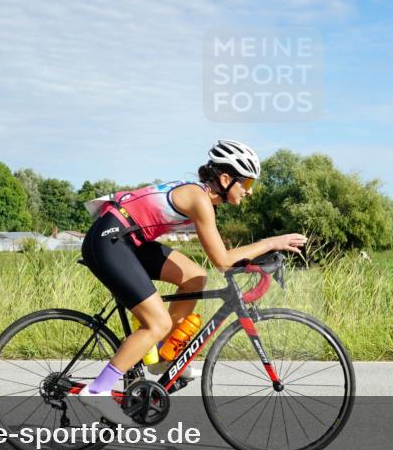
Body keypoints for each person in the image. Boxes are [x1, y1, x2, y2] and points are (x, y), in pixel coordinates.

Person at [77, 140, 307, 424]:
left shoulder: (202, 197)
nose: (249, 191)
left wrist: (257, 255)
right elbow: (223, 260)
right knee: (157, 322)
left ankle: (164, 354)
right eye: (246, 182)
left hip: (127, 239)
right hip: (109, 240)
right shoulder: (199, 199)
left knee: (195, 276)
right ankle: (97, 389)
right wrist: (272, 242)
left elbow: (217, 262)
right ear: (225, 179)